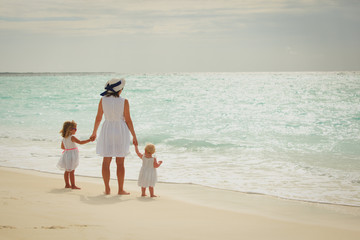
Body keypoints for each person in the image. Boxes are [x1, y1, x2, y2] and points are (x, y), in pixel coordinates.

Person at [90, 78, 138, 195]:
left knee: (106, 161)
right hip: (120, 131)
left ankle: (107, 188)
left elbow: (98, 118)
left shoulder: (103, 100)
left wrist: (94, 132)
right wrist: (134, 136)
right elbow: (128, 120)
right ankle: (120, 189)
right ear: (119, 90)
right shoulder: (124, 101)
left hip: (107, 130)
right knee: (120, 162)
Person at [57, 120, 92, 189]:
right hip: (72, 155)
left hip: (66, 154)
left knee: (67, 170)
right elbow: (81, 142)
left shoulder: (64, 138)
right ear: (70, 130)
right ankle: (73, 185)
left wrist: (68, 148)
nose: (76, 130)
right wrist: (89, 140)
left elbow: (62, 147)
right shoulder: (72, 137)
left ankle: (67, 184)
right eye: (75, 129)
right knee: (72, 171)